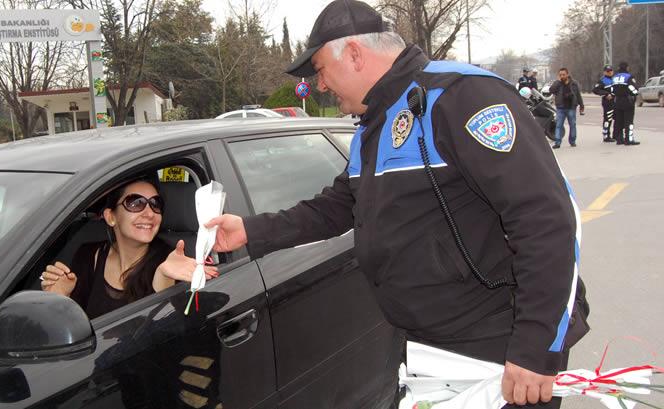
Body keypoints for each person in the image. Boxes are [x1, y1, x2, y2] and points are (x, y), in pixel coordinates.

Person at [205, 1, 588, 408]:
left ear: (353, 54)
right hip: (431, 345)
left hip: (497, 344)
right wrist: (249, 231)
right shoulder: (375, 126)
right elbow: (337, 207)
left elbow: (547, 219)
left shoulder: (461, 96)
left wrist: (536, 346)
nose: (319, 85)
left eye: (319, 70)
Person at [41, 178, 218, 319]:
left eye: (155, 204)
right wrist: (61, 299)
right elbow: (75, 330)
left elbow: (176, 333)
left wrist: (164, 281)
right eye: (135, 203)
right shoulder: (88, 255)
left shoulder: (173, 261)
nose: (149, 213)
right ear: (111, 217)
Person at [548, 68, 584, 148]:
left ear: (567, 74)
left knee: (572, 125)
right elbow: (551, 90)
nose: (562, 76)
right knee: (558, 125)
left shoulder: (574, 83)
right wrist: (558, 82)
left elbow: (578, 94)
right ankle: (557, 142)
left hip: (571, 107)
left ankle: (572, 141)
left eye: (563, 74)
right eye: (560, 75)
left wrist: (582, 105)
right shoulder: (557, 83)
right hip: (560, 108)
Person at [611, 61, 640, 146]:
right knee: (629, 121)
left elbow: (612, 90)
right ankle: (629, 139)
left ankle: (619, 139)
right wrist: (634, 94)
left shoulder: (614, 77)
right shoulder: (629, 77)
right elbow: (634, 88)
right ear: (627, 67)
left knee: (619, 121)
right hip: (627, 101)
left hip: (617, 101)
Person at [592, 65, 616, 143]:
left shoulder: (615, 79)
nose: (610, 72)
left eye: (611, 71)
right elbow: (595, 90)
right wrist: (606, 94)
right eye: (608, 71)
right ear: (605, 72)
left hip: (616, 102)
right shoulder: (602, 81)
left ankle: (616, 135)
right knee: (607, 119)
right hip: (607, 102)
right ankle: (606, 136)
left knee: (617, 119)